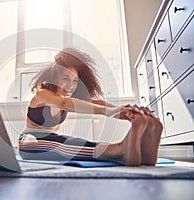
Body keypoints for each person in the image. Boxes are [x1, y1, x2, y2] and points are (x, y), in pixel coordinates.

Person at [18, 48, 163, 166]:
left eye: (75, 81)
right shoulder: (43, 93)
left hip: (52, 140)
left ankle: (140, 154)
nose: (70, 86)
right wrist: (108, 112)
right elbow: (64, 104)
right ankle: (119, 150)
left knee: (73, 142)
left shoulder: (67, 97)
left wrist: (123, 110)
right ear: (54, 78)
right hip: (30, 142)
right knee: (60, 146)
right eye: (65, 78)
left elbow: (97, 103)